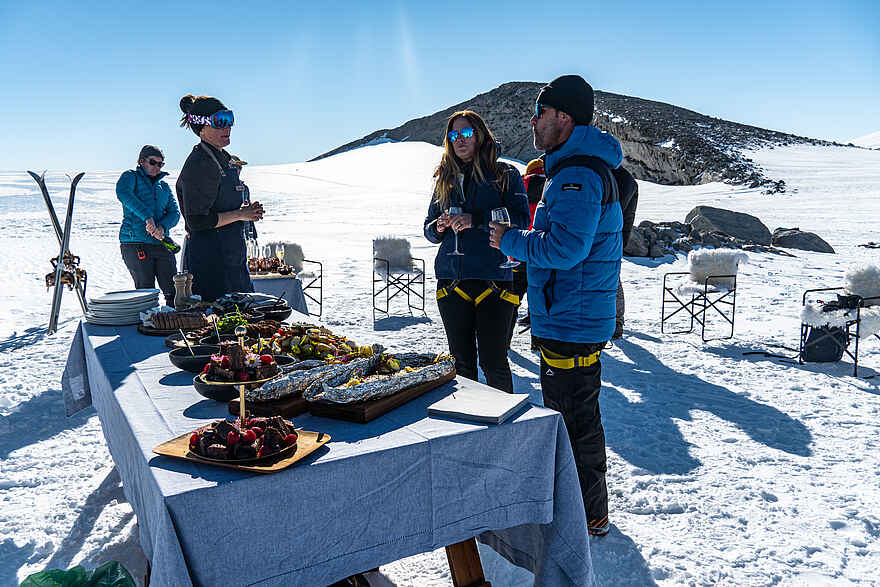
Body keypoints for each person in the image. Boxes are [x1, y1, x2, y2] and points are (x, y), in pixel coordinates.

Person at [490, 75, 623, 536]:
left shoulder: (578, 175)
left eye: (541, 113)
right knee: (574, 414)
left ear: (564, 117)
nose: (533, 121)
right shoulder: (574, 169)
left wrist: (511, 240)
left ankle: (584, 515)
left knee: (572, 419)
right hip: (571, 313)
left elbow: (566, 249)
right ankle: (584, 510)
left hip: (572, 317)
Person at [423, 110, 529, 393]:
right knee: (462, 366)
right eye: (453, 135)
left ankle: (506, 433)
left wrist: (477, 220)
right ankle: (469, 430)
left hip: (494, 280)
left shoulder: (505, 174)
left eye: (466, 133)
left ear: (480, 135)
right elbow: (428, 231)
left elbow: (521, 219)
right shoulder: (444, 179)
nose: (459, 140)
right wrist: (441, 226)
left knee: (494, 364)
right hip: (451, 282)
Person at [176, 94, 264, 302]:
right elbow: (197, 221)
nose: (228, 127)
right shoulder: (200, 163)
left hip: (232, 261)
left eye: (229, 119)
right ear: (201, 127)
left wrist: (245, 212)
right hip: (213, 267)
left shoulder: (221, 158)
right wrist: (241, 214)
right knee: (223, 326)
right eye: (220, 121)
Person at [116, 145, 180, 306]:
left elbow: (175, 213)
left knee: (174, 290)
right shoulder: (130, 177)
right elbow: (123, 193)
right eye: (153, 162)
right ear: (141, 161)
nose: (157, 167)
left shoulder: (163, 186)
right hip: (135, 243)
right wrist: (148, 217)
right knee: (146, 293)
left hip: (161, 242)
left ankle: (173, 324)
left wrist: (162, 228)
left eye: (161, 164)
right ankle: (147, 326)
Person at [509, 157, 546, 342]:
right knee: (539, 295)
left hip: (518, 248)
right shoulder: (550, 186)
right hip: (540, 250)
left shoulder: (520, 184)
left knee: (512, 298)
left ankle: (504, 340)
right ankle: (537, 342)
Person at [614, 166, 639, 339]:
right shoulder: (626, 179)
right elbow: (628, 216)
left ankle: (615, 322)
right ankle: (616, 322)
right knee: (613, 280)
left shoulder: (606, 174)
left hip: (604, 238)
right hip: (617, 238)